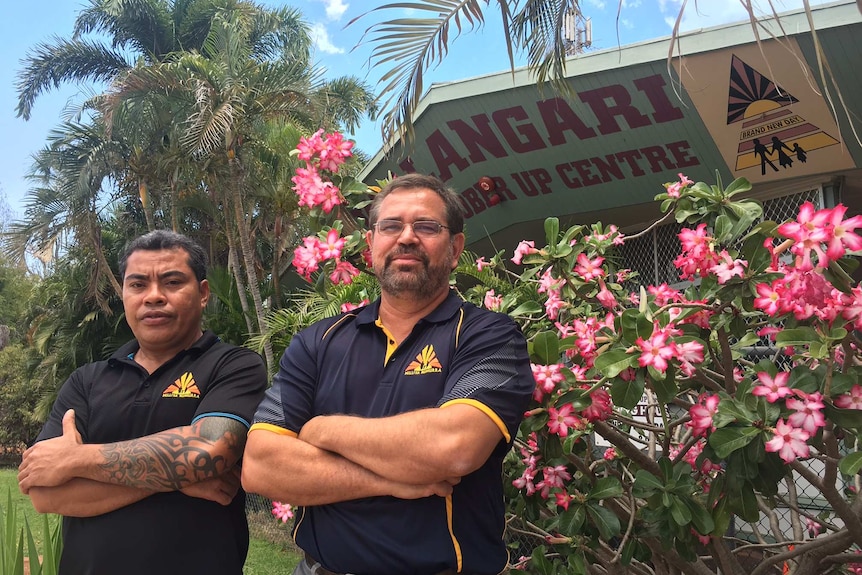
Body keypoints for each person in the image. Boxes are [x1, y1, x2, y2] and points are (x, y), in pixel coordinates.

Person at [242, 173, 535, 575]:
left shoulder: (488, 335)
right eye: (391, 226)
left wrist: (322, 431)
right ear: (371, 246)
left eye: (427, 226)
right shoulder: (319, 341)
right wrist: (393, 480)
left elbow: (454, 447)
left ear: (455, 249)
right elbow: (260, 466)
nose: (407, 237)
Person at [18, 230, 267, 575]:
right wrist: (181, 479)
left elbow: (209, 450)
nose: (153, 297)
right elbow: (46, 494)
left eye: (172, 282)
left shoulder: (233, 366)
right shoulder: (87, 380)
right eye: (137, 285)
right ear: (123, 294)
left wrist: (76, 459)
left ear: (203, 293)